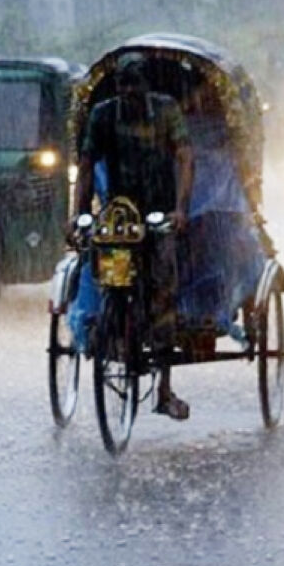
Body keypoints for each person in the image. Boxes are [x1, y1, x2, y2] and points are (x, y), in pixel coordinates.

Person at [74, 52, 195, 420]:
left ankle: (163, 388)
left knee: (162, 286)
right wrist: (77, 214)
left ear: (146, 87)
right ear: (118, 88)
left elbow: (186, 157)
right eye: (124, 87)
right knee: (102, 268)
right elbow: (86, 165)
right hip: (120, 213)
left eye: (136, 87)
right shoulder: (103, 115)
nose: (130, 95)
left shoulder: (167, 110)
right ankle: (109, 325)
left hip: (159, 212)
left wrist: (180, 209)